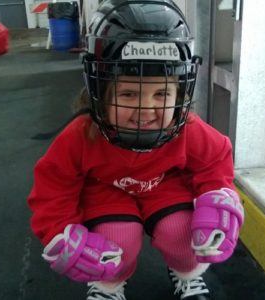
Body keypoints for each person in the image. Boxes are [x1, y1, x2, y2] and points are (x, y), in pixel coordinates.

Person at [27, 1, 244, 299]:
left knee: (182, 234)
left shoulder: (187, 128)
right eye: (129, 93)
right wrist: (60, 230)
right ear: (100, 94)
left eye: (162, 93)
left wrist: (216, 194)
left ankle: (186, 275)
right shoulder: (81, 134)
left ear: (180, 92)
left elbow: (215, 159)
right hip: (105, 192)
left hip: (165, 188)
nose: (148, 109)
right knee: (118, 239)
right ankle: (108, 285)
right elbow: (54, 188)